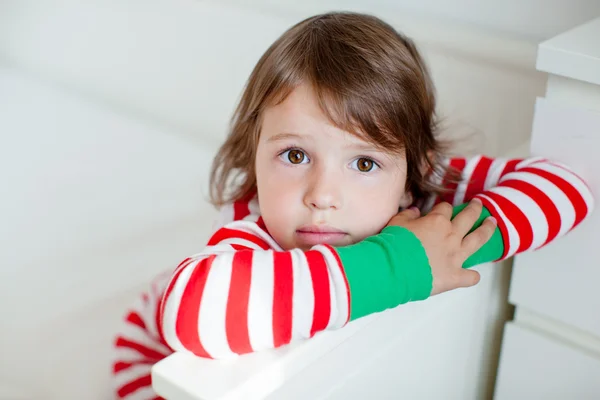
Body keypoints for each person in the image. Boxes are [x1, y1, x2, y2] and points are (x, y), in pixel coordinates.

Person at [111, 11, 594, 399]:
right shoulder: (257, 227)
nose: (322, 194)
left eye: (364, 164)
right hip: (148, 362)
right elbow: (194, 311)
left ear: (410, 176)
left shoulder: (423, 191)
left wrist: (446, 248)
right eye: (295, 155)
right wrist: (404, 264)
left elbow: (568, 187)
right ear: (254, 155)